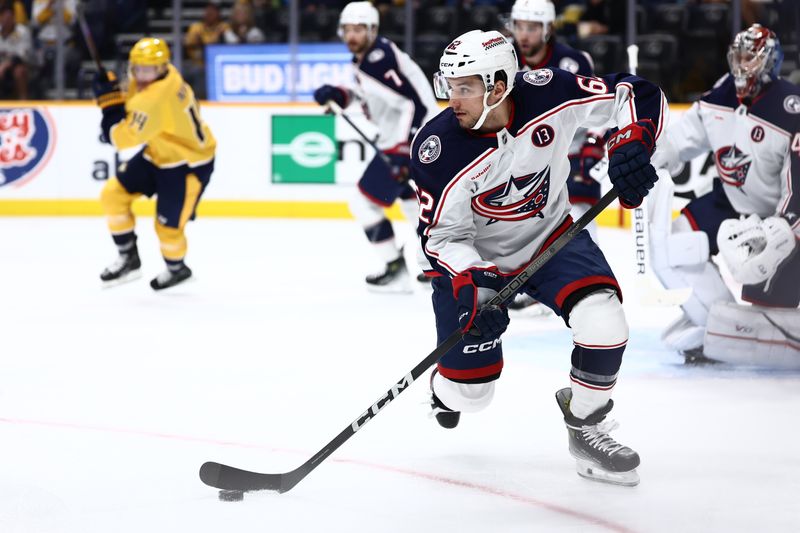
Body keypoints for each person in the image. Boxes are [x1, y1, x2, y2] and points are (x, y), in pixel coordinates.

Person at [412, 29, 667, 486]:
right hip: (479, 264)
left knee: (605, 323)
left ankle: (585, 426)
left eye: (465, 87)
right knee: (472, 397)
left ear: (499, 85)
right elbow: (441, 237)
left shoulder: (550, 91)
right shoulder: (438, 150)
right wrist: (475, 286)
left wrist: (631, 145)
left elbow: (636, 92)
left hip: (552, 241)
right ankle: (445, 390)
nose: (454, 99)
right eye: (450, 86)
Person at [650, 24, 799, 367]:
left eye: (752, 57)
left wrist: (788, 227)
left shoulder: (791, 108)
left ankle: (749, 326)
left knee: (769, 309)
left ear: (770, 62)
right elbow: (681, 139)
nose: (743, 65)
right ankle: (713, 319)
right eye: (739, 56)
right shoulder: (720, 95)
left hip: (776, 218)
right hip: (728, 204)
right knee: (678, 244)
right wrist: (648, 153)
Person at [312, 1, 439, 293]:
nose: (352, 35)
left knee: (364, 203)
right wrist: (340, 95)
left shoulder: (377, 59)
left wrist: (407, 150)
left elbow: (414, 103)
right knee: (413, 205)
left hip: (406, 143)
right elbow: (375, 96)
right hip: (412, 141)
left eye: (359, 29)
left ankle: (395, 270)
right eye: (348, 29)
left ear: (371, 30)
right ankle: (435, 269)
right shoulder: (370, 57)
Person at [92, 37, 216, 291]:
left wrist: (109, 107)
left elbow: (120, 138)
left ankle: (177, 268)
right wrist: (116, 93)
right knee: (112, 195)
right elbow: (136, 103)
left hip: (188, 163)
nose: (143, 75)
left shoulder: (157, 99)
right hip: (158, 152)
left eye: (149, 69)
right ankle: (129, 257)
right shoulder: (168, 74)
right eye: (138, 68)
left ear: (162, 67)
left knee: (167, 227)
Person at [507, 0, 605, 313]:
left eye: (532, 27)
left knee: (577, 212)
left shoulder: (573, 61)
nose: (524, 34)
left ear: (548, 29)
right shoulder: (504, 58)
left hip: (570, 148)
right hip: (523, 153)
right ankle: (531, 282)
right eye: (519, 26)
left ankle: (588, 280)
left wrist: (593, 145)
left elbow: (597, 110)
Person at [183, 1, 229, 99]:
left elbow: (228, 45)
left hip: (216, 65)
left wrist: (207, 44)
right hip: (195, 62)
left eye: (213, 11)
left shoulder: (223, 27)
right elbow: (188, 44)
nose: (210, 13)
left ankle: (201, 99)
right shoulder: (196, 27)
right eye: (208, 10)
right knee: (190, 71)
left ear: (218, 13)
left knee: (202, 72)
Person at [0, 4, 31, 99]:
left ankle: (23, 101)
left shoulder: (22, 31)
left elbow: (22, 55)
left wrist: (5, 66)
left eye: (9, 17)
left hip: (19, 64)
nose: (7, 20)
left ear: (14, 17)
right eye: (4, 17)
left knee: (19, 71)